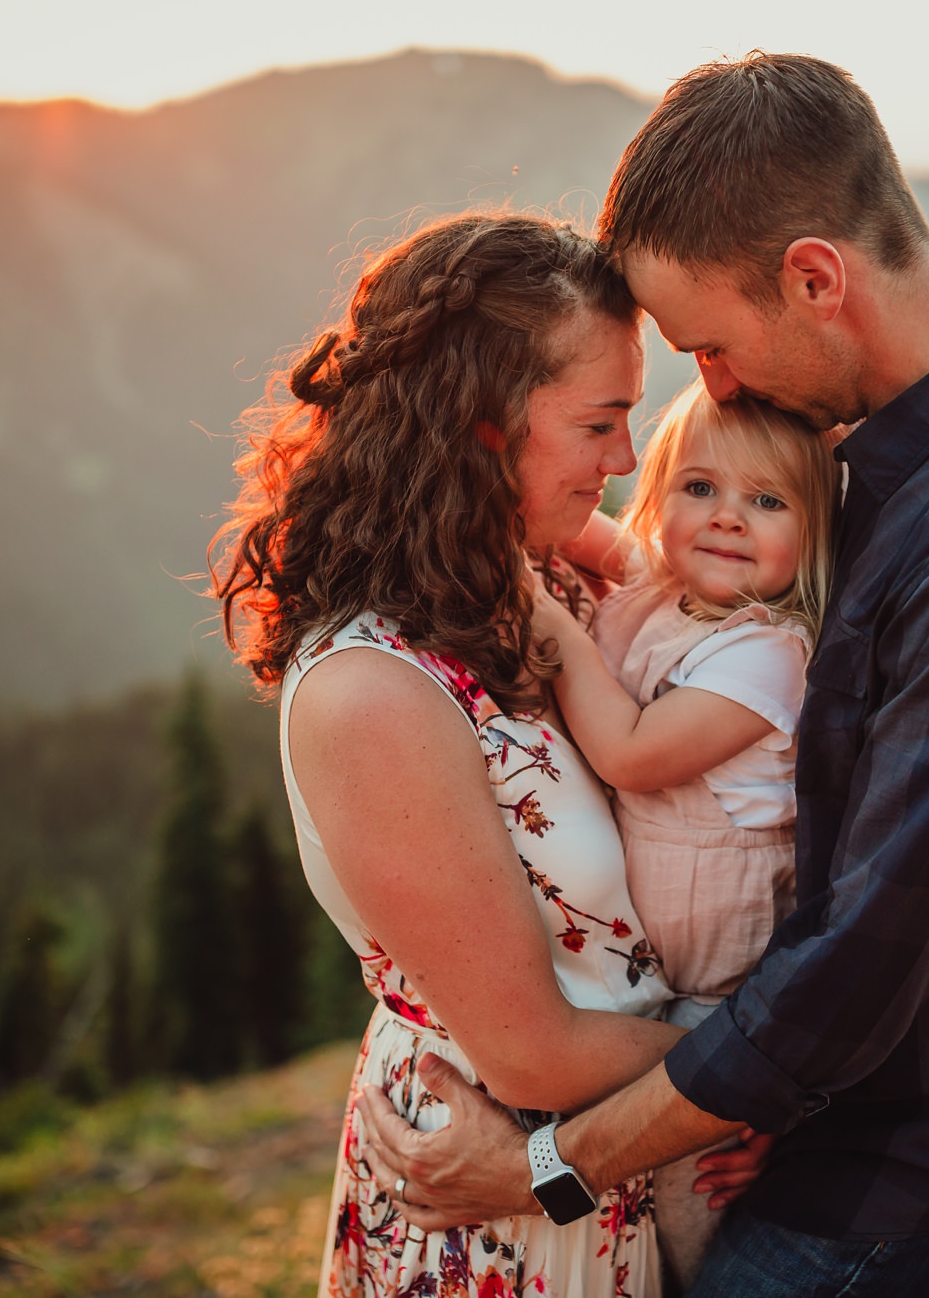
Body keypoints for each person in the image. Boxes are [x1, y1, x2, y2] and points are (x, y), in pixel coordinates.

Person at [356, 54, 929, 1298]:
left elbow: (854, 969)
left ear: (813, 277)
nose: (717, 392)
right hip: (823, 1109)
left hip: (901, 1164)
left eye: (713, 348)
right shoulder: (896, 455)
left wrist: (546, 1167)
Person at [211, 211, 767, 1298]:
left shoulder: (540, 565)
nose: (623, 463)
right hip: (490, 1198)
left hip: (621, 1151)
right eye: (599, 422)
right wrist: (781, 1077)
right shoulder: (374, 692)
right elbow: (537, 1052)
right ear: (479, 425)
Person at [532, 380, 841, 1285]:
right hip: (646, 978)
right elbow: (581, 534)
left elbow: (629, 753)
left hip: (718, 990)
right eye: (699, 487)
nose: (727, 518)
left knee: (684, 1198)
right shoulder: (652, 588)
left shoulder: (766, 655)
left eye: (768, 501)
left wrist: (554, 625)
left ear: (814, 535)